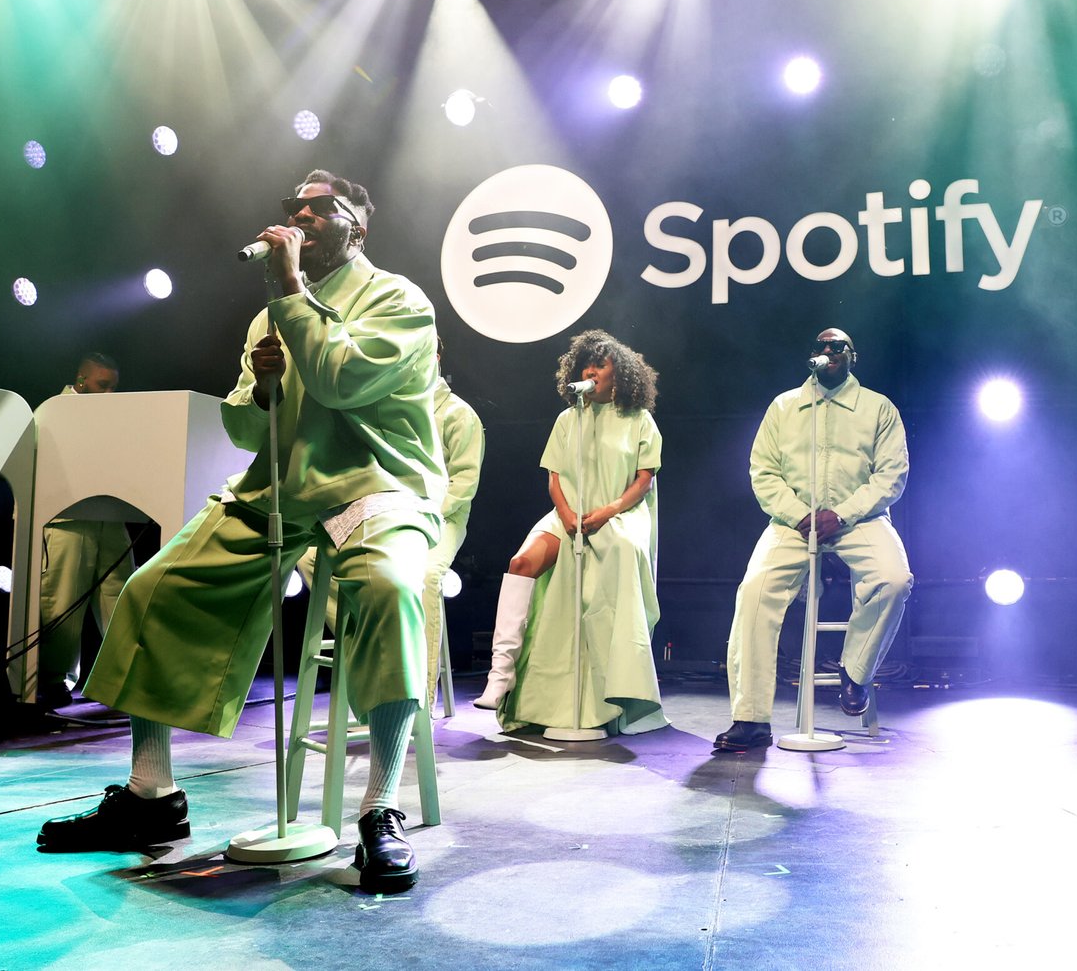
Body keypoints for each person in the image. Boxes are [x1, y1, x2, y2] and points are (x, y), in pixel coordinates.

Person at [37, 170, 446, 894]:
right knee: (154, 587)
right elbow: (243, 424)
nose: (301, 217)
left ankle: (381, 811)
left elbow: (343, 381)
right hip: (280, 487)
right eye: (295, 208)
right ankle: (150, 796)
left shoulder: (398, 300)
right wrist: (260, 389)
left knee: (388, 590)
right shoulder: (268, 317)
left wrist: (289, 293)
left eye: (322, 208)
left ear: (359, 227)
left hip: (376, 487)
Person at [714, 328, 912, 751]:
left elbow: (890, 477)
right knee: (754, 593)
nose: (828, 352)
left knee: (893, 579)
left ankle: (855, 671)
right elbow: (763, 472)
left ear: (851, 356)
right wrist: (799, 514)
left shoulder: (878, 408)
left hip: (859, 518)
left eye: (837, 346)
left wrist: (840, 514)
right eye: (821, 347)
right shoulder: (785, 407)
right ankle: (750, 719)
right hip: (794, 521)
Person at [475, 329, 667, 736]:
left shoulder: (639, 420)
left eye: (600, 363)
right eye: (586, 363)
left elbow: (643, 480)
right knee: (521, 561)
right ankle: (500, 675)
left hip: (617, 512)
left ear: (621, 373)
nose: (591, 370)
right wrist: (565, 515)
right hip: (568, 514)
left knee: (620, 553)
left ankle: (615, 685)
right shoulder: (568, 418)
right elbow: (554, 477)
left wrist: (608, 511)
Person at [295, 337, 484, 706]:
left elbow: (464, 482)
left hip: (442, 518)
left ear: (437, 356)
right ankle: (368, 652)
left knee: (425, 576)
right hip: (387, 512)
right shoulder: (388, 403)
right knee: (311, 558)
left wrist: (420, 515)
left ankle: (416, 697)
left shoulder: (459, 414)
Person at [36, 352, 136, 710]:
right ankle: (51, 683)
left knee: (123, 597)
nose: (109, 393)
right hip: (68, 518)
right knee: (62, 602)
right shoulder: (52, 412)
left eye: (114, 387)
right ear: (81, 381)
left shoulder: (113, 418)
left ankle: (123, 681)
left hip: (110, 515)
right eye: (102, 385)